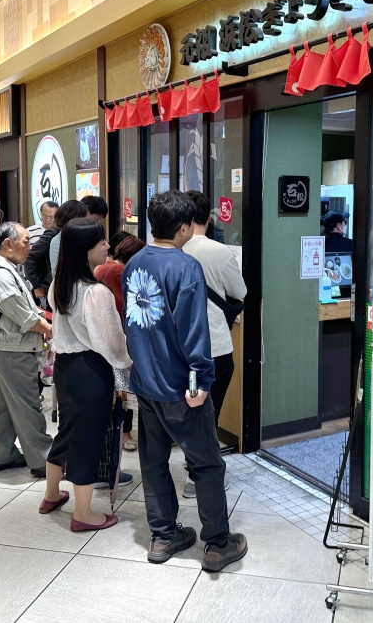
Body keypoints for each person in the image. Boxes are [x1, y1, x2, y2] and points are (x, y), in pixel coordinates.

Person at [123, 190, 247, 573]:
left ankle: (162, 536)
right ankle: (218, 544)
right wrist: (202, 381)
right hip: (181, 385)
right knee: (206, 463)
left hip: (145, 382)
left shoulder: (134, 263)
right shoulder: (184, 266)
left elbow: (134, 324)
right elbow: (194, 333)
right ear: (183, 228)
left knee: (154, 461)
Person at [42, 218, 132, 531]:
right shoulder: (96, 293)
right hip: (91, 371)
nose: (107, 246)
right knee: (88, 440)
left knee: (66, 432)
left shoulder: (60, 284)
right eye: (101, 241)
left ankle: (51, 494)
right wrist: (127, 362)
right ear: (86, 249)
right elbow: (110, 341)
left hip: (65, 369)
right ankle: (83, 514)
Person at [182, 191, 247, 498]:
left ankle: (192, 469)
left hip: (182, 349)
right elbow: (240, 291)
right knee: (210, 412)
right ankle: (198, 476)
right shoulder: (220, 252)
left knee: (189, 410)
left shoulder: (172, 250)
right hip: (215, 346)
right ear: (208, 218)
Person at [0, 223, 54, 479]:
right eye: (26, 242)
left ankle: (3, 455)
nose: (30, 247)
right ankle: (43, 460)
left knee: (4, 406)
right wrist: (51, 329)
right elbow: (26, 318)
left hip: (9, 347)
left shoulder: (6, 269)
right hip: (12, 350)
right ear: (8, 244)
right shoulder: (0, 275)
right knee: (27, 405)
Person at [95, 232, 145, 451]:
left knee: (116, 388)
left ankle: (118, 430)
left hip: (103, 337)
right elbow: (127, 304)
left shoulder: (100, 268)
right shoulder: (120, 271)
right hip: (121, 336)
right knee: (124, 387)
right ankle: (125, 432)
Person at [26, 199, 87, 308]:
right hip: (53, 287)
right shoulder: (54, 233)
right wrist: (36, 285)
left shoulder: (70, 234)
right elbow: (30, 256)